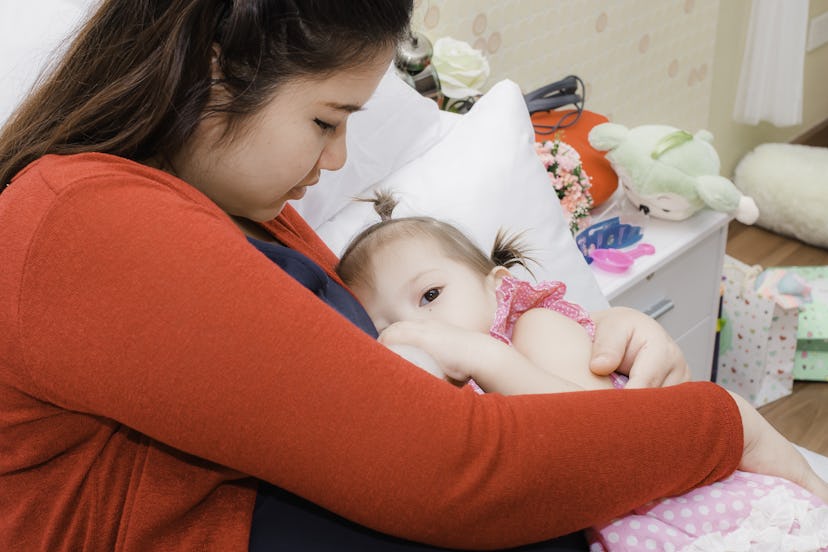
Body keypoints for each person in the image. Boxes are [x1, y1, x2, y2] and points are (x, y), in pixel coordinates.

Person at [0, 1, 801, 550]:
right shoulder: (85, 221)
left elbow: (406, 392)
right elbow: (455, 466)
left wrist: (596, 343)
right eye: (325, 121)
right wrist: (725, 423)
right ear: (216, 72)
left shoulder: (229, 208)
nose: (335, 159)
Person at [336, 193, 828, 550]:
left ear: (497, 287)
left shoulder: (531, 329)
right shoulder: (454, 391)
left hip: (696, 513)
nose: (416, 329)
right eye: (387, 327)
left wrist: (483, 356)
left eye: (429, 296)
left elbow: (598, 427)